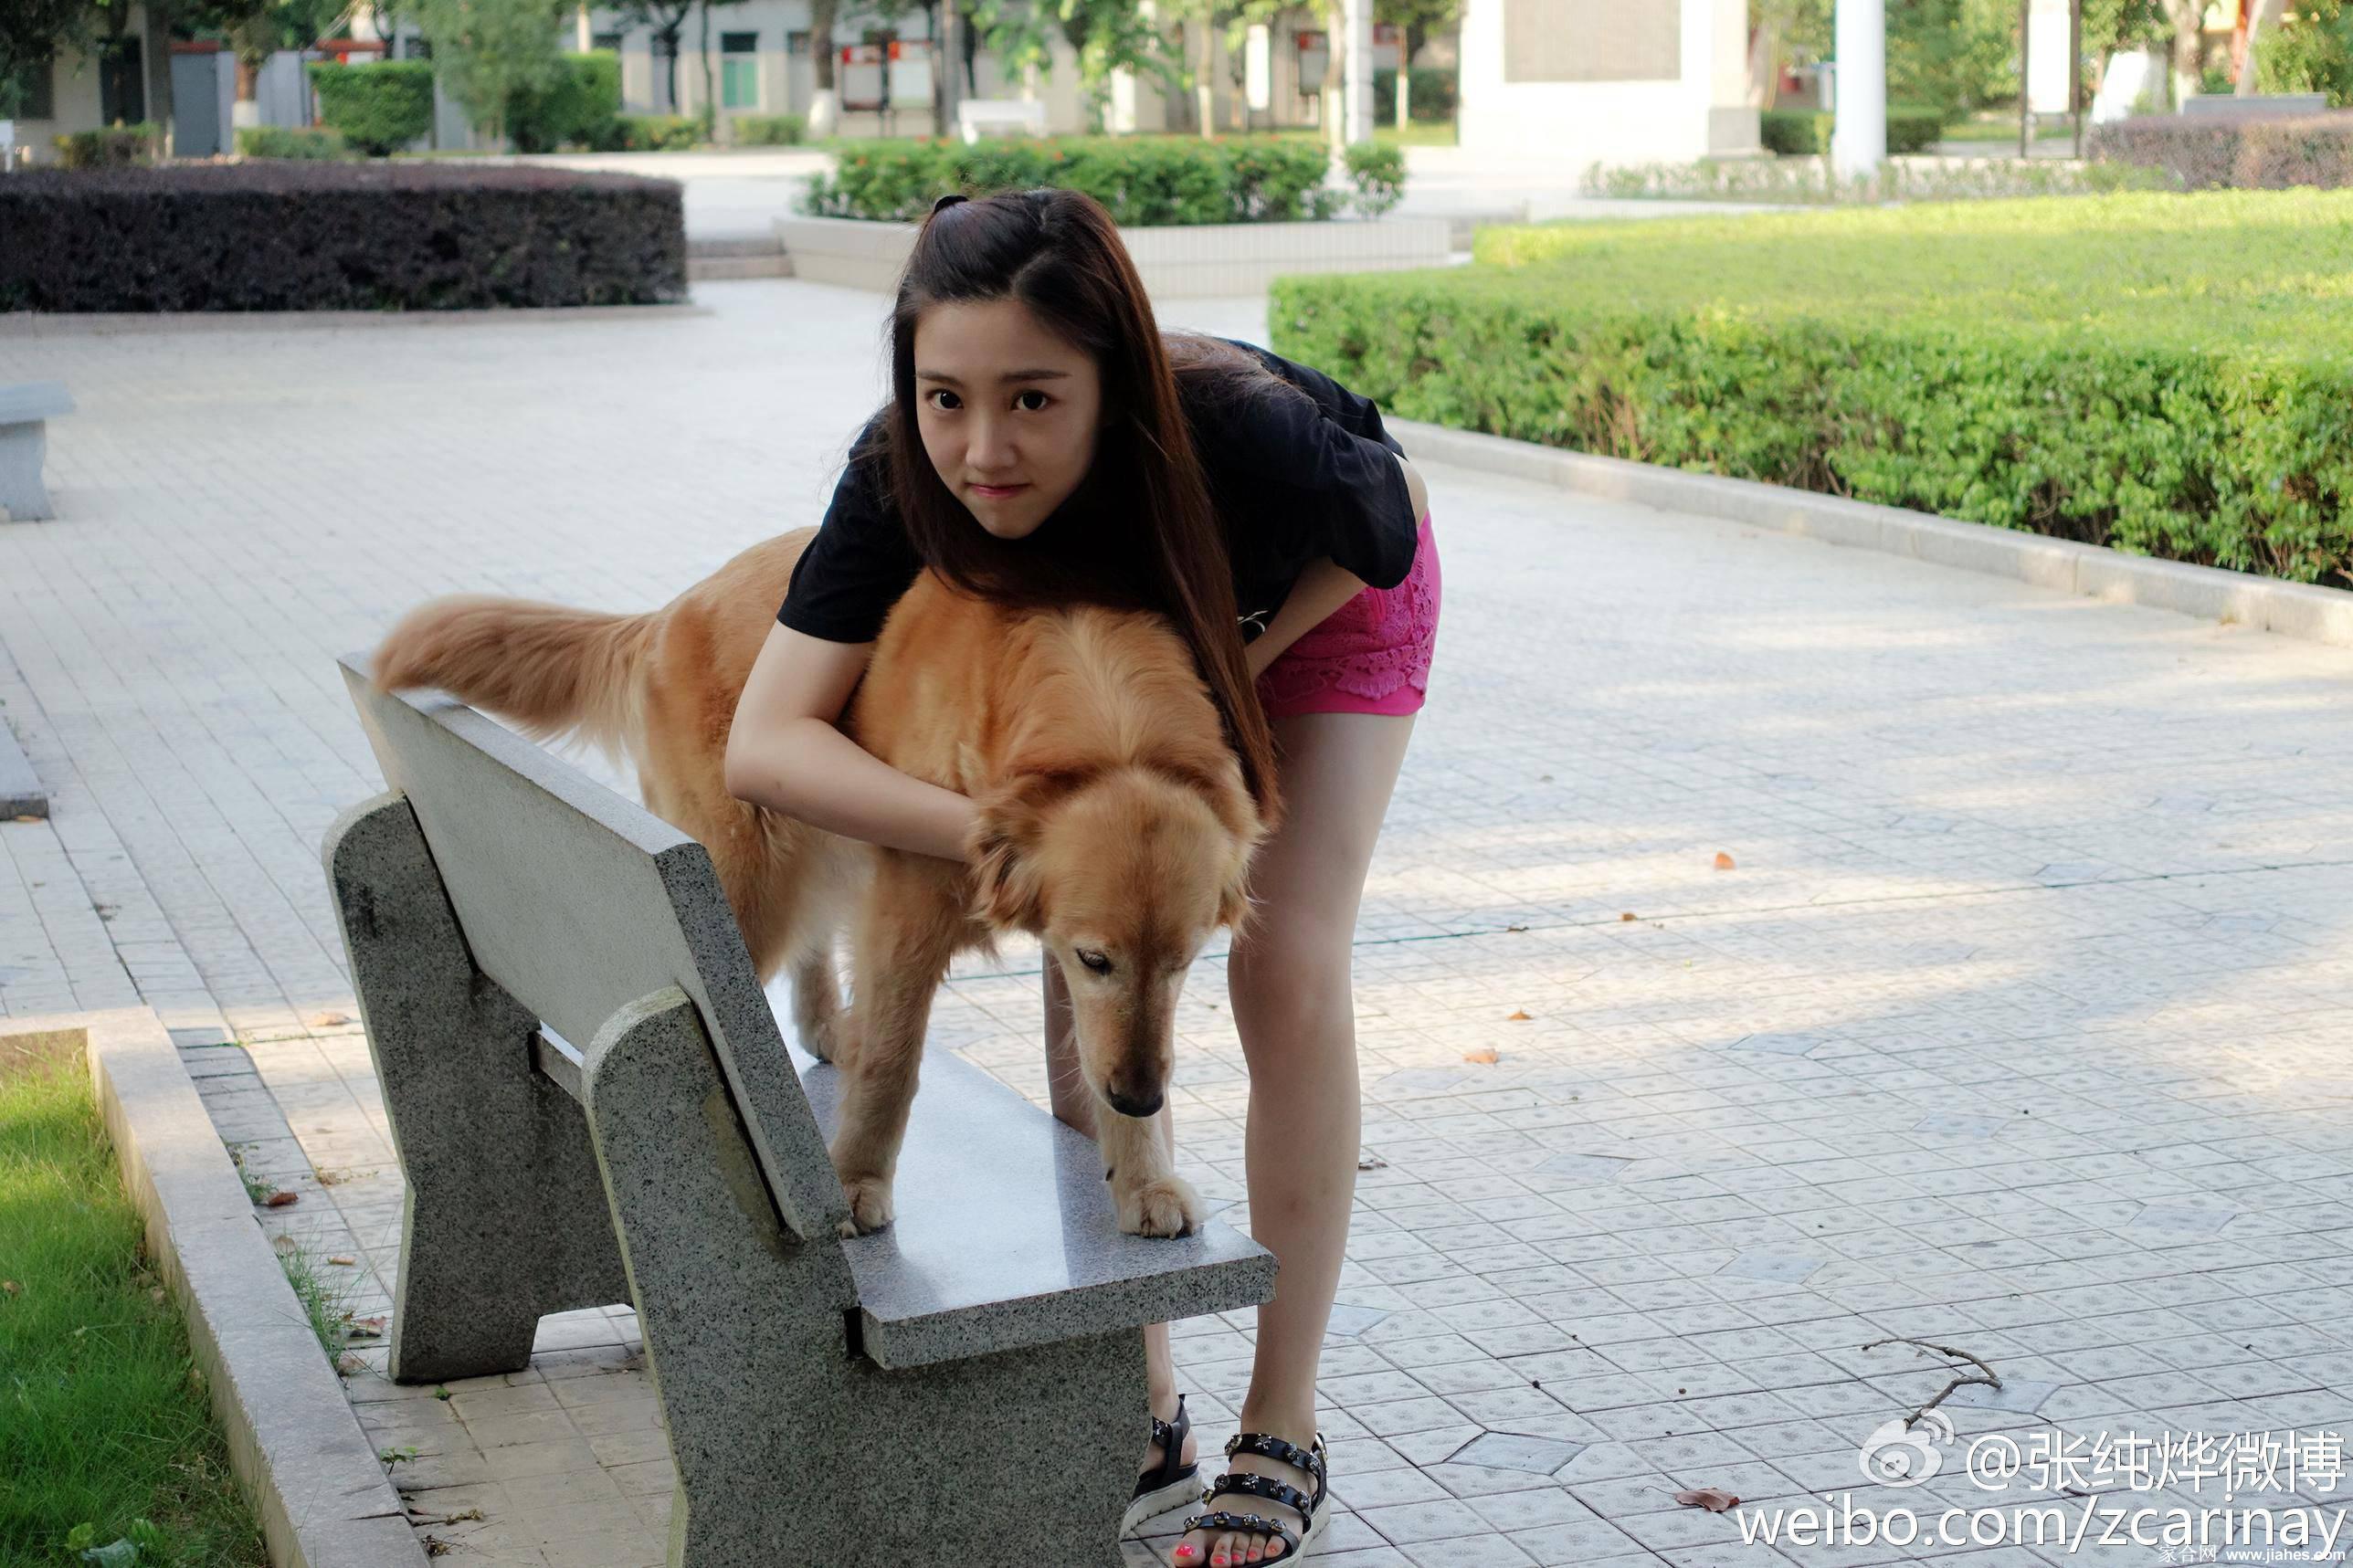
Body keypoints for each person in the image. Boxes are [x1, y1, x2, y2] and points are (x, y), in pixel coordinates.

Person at [723, 186, 1442, 1567]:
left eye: (1036, 401)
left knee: (1279, 962)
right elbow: (768, 740)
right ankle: (1143, 1399)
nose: (982, 449)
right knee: (1086, 973)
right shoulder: (903, 472)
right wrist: (1018, 850)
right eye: (944, 396)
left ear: (1113, 378)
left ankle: (1279, 1422)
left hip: (1320, 601)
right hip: (1137, 671)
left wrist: (1236, 660)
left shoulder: (1238, 427)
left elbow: (1387, 521)